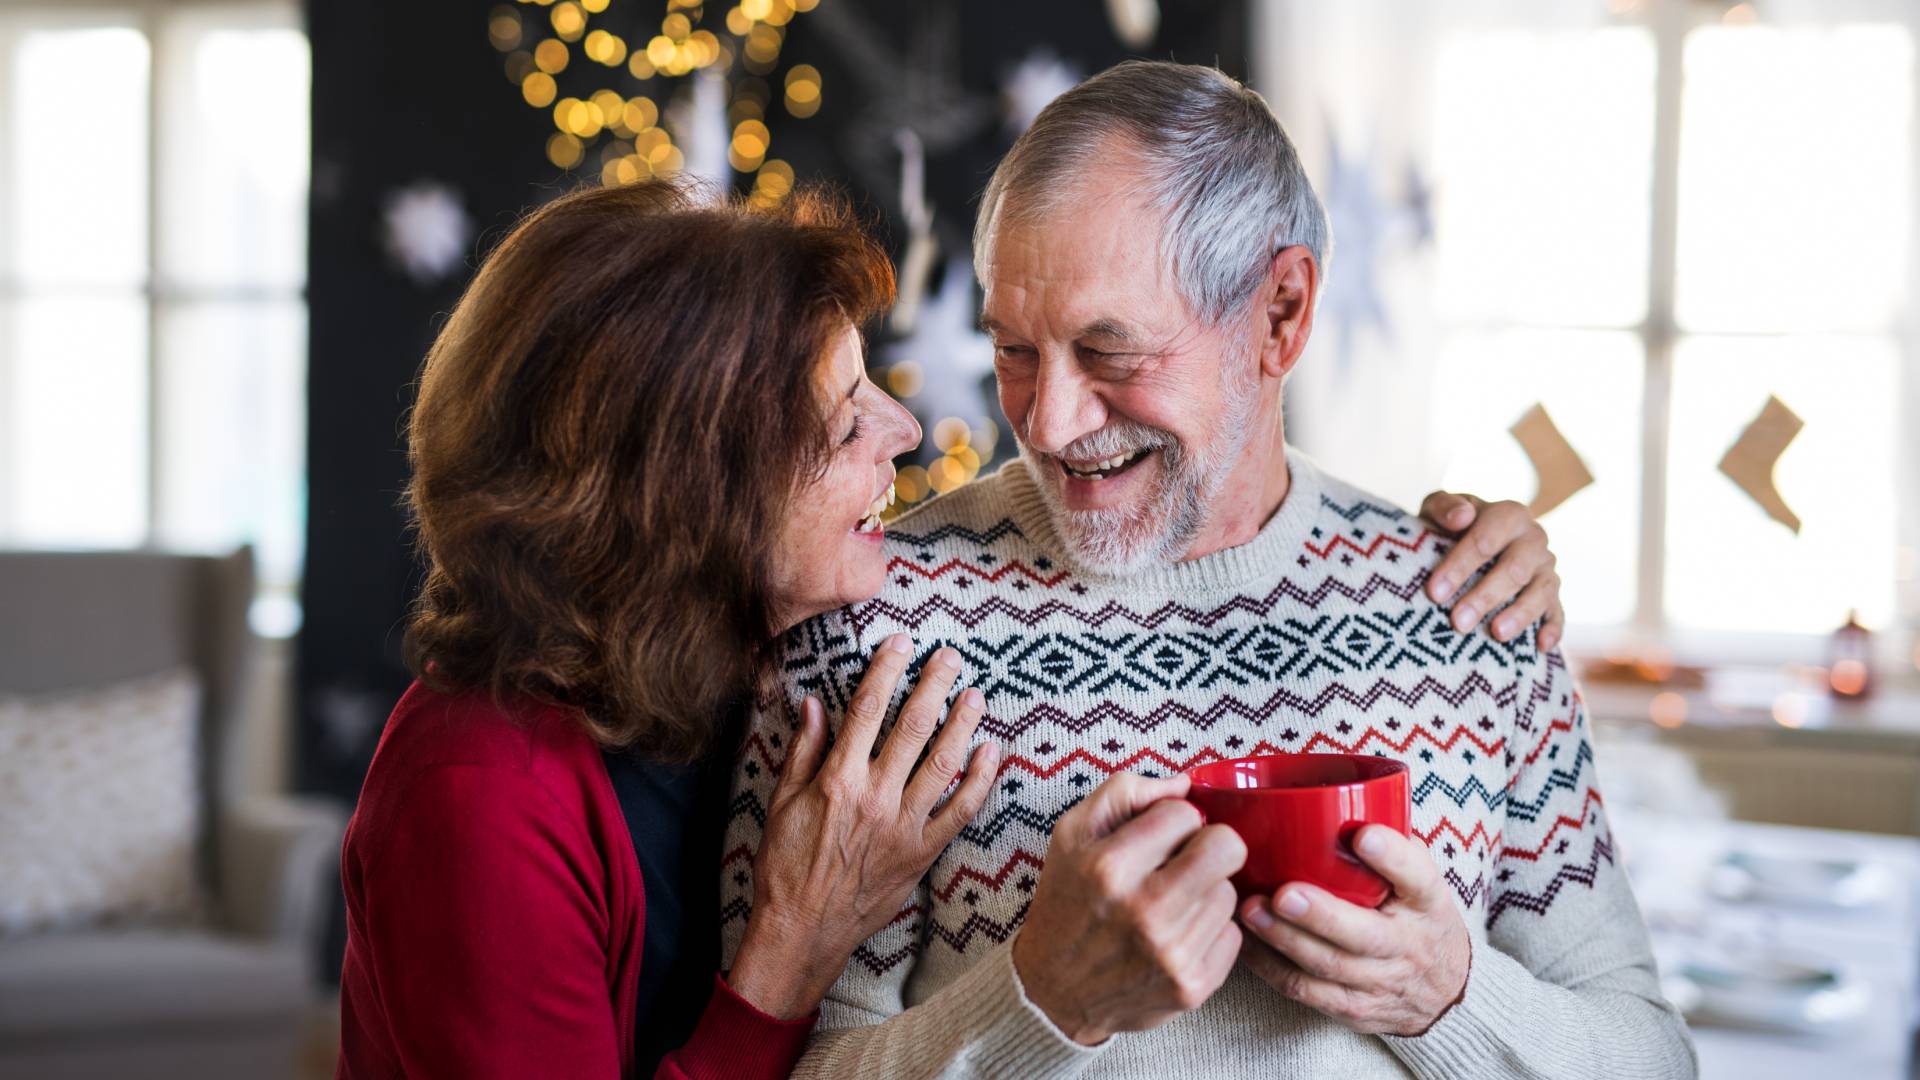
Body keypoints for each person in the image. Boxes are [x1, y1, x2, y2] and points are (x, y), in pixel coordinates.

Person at [335, 179, 1566, 1077]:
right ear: (688, 497)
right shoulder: (481, 795)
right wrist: (788, 954)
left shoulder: (753, 665)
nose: (907, 433)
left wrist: (1470, 555)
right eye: (841, 421)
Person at [719, 61, 1695, 1079]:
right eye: (1014, 350)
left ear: (1281, 314)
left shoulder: (1474, 607)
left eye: (1111, 351)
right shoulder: (870, 622)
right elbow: (780, 1065)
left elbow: (1653, 1059)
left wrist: (1450, 998)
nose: (1049, 424)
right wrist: (1039, 1003)